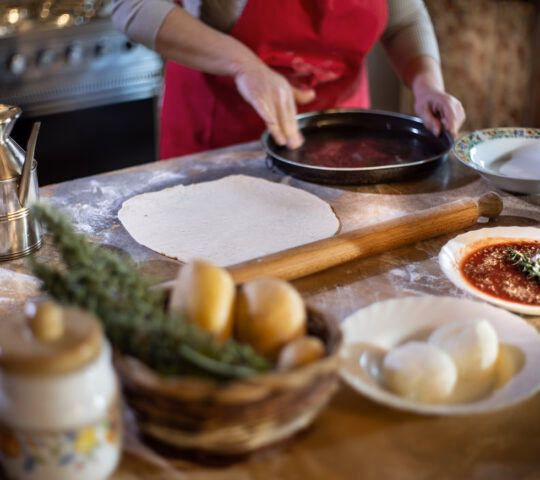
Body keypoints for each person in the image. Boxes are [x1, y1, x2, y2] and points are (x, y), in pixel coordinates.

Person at [112, 0, 465, 159]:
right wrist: (243, 66)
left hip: (341, 140)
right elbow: (132, 6)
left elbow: (404, 18)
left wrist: (425, 84)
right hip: (222, 136)